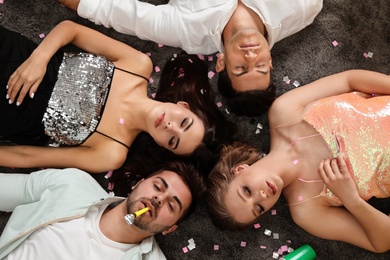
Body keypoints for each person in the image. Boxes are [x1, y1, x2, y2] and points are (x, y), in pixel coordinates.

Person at [0, 20, 232, 173]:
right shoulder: (138, 66)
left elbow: (27, 156)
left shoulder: (112, 153)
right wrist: (39, 58)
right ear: (183, 105)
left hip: (9, 113)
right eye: (183, 122)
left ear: (163, 146)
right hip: (19, 57)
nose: (170, 126)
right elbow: (72, 30)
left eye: (173, 140)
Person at [206, 70, 390, 252]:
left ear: (239, 169)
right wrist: (351, 200)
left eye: (247, 191)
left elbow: (349, 80)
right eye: (259, 208)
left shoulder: (283, 111)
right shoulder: (307, 212)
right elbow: (382, 242)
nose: (262, 196)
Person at [58, 0, 323, 116]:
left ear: (221, 63)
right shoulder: (304, 6)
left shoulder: (185, 29)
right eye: (261, 66)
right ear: (271, 61)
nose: (251, 54)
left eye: (241, 67)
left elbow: (110, 9)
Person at [0, 160, 205, 259]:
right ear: (138, 184)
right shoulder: (72, 184)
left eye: (171, 205)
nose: (158, 199)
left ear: (170, 229)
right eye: (158, 187)